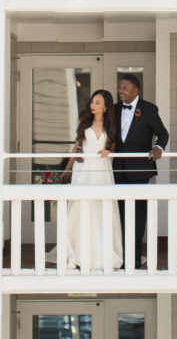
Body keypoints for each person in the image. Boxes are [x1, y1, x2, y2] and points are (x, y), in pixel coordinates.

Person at [60, 89, 123, 273]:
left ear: (105, 106)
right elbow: (77, 146)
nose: (93, 106)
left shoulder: (110, 125)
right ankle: (77, 252)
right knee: (79, 207)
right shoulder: (84, 122)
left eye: (97, 103)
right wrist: (66, 170)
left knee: (101, 208)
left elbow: (114, 146)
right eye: (92, 102)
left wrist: (109, 152)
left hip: (102, 170)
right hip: (83, 170)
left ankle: (102, 253)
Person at [113, 73, 169, 269]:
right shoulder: (114, 109)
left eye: (125, 88)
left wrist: (158, 148)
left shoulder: (149, 109)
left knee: (137, 215)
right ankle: (119, 256)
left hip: (140, 170)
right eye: (120, 88)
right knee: (119, 214)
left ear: (136, 90)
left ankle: (135, 258)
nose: (120, 92)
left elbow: (162, 133)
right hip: (118, 170)